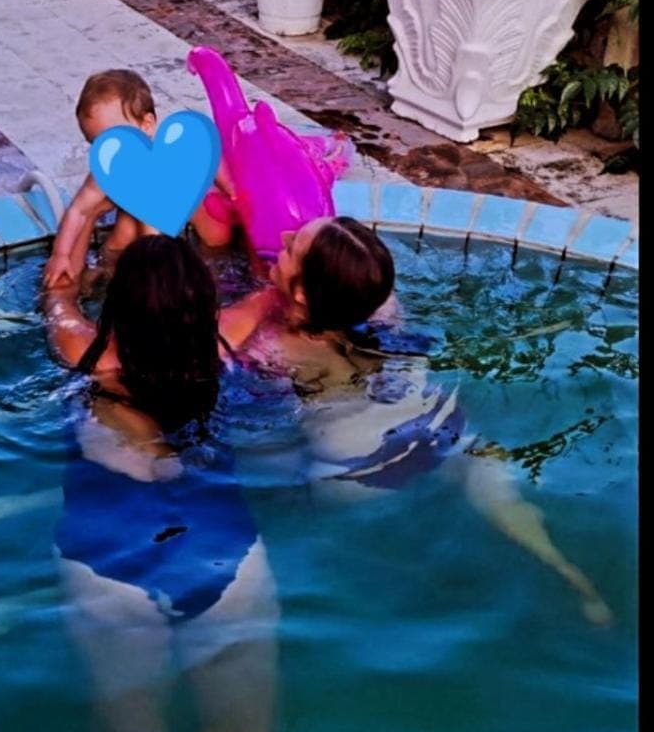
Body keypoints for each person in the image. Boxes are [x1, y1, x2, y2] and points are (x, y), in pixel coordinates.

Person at [45, 235, 279, 732]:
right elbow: (272, 293)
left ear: (119, 313)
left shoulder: (86, 353)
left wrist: (74, 260)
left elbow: (54, 291)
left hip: (108, 564)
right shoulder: (221, 345)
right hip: (225, 556)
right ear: (200, 309)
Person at [231, 215, 614, 626]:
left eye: (291, 248)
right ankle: (567, 573)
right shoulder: (381, 305)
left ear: (304, 293)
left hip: (357, 471)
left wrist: (260, 303)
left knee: (396, 572)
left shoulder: (270, 346)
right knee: (508, 505)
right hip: (442, 429)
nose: (283, 236)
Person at [43, 70, 233, 289]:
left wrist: (229, 185)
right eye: (99, 143)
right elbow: (78, 211)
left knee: (214, 226)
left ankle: (213, 274)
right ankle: (107, 275)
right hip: (134, 249)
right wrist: (61, 255)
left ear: (147, 125)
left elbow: (208, 153)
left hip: (185, 235)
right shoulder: (106, 172)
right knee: (123, 237)